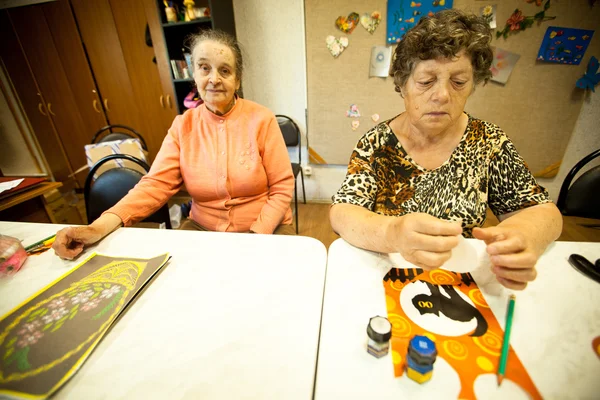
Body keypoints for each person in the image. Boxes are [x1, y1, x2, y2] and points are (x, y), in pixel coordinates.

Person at [329, 9, 562, 291]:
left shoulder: (488, 142)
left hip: (462, 284)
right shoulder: (376, 144)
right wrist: (392, 233)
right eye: (426, 81)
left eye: (459, 82)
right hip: (386, 278)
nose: (442, 95)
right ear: (402, 85)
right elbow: (343, 212)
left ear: (472, 85)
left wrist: (522, 237)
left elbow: (544, 213)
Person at [53, 29, 295, 260]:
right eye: (204, 68)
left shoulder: (262, 119)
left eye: (224, 70)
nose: (214, 79)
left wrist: (256, 235)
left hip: (264, 229)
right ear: (194, 74)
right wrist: (97, 228)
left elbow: (282, 186)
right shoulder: (183, 126)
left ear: (237, 80)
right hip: (202, 229)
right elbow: (155, 185)